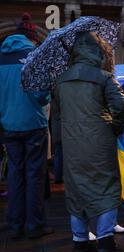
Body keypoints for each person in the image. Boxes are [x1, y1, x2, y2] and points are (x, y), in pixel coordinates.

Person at [54, 32, 124, 252]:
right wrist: (114, 127)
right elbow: (120, 106)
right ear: (99, 52)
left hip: (71, 143)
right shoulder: (104, 77)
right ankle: (106, 243)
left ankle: (79, 243)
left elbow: (56, 119)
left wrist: (60, 142)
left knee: (76, 189)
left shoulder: (60, 81)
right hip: (100, 140)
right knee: (105, 186)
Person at [0, 13, 53, 239]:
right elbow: (42, 96)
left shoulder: (1, 58)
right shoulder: (34, 57)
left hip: (8, 124)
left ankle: (14, 224)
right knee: (34, 175)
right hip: (33, 124)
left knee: (14, 172)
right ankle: (34, 225)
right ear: (32, 38)